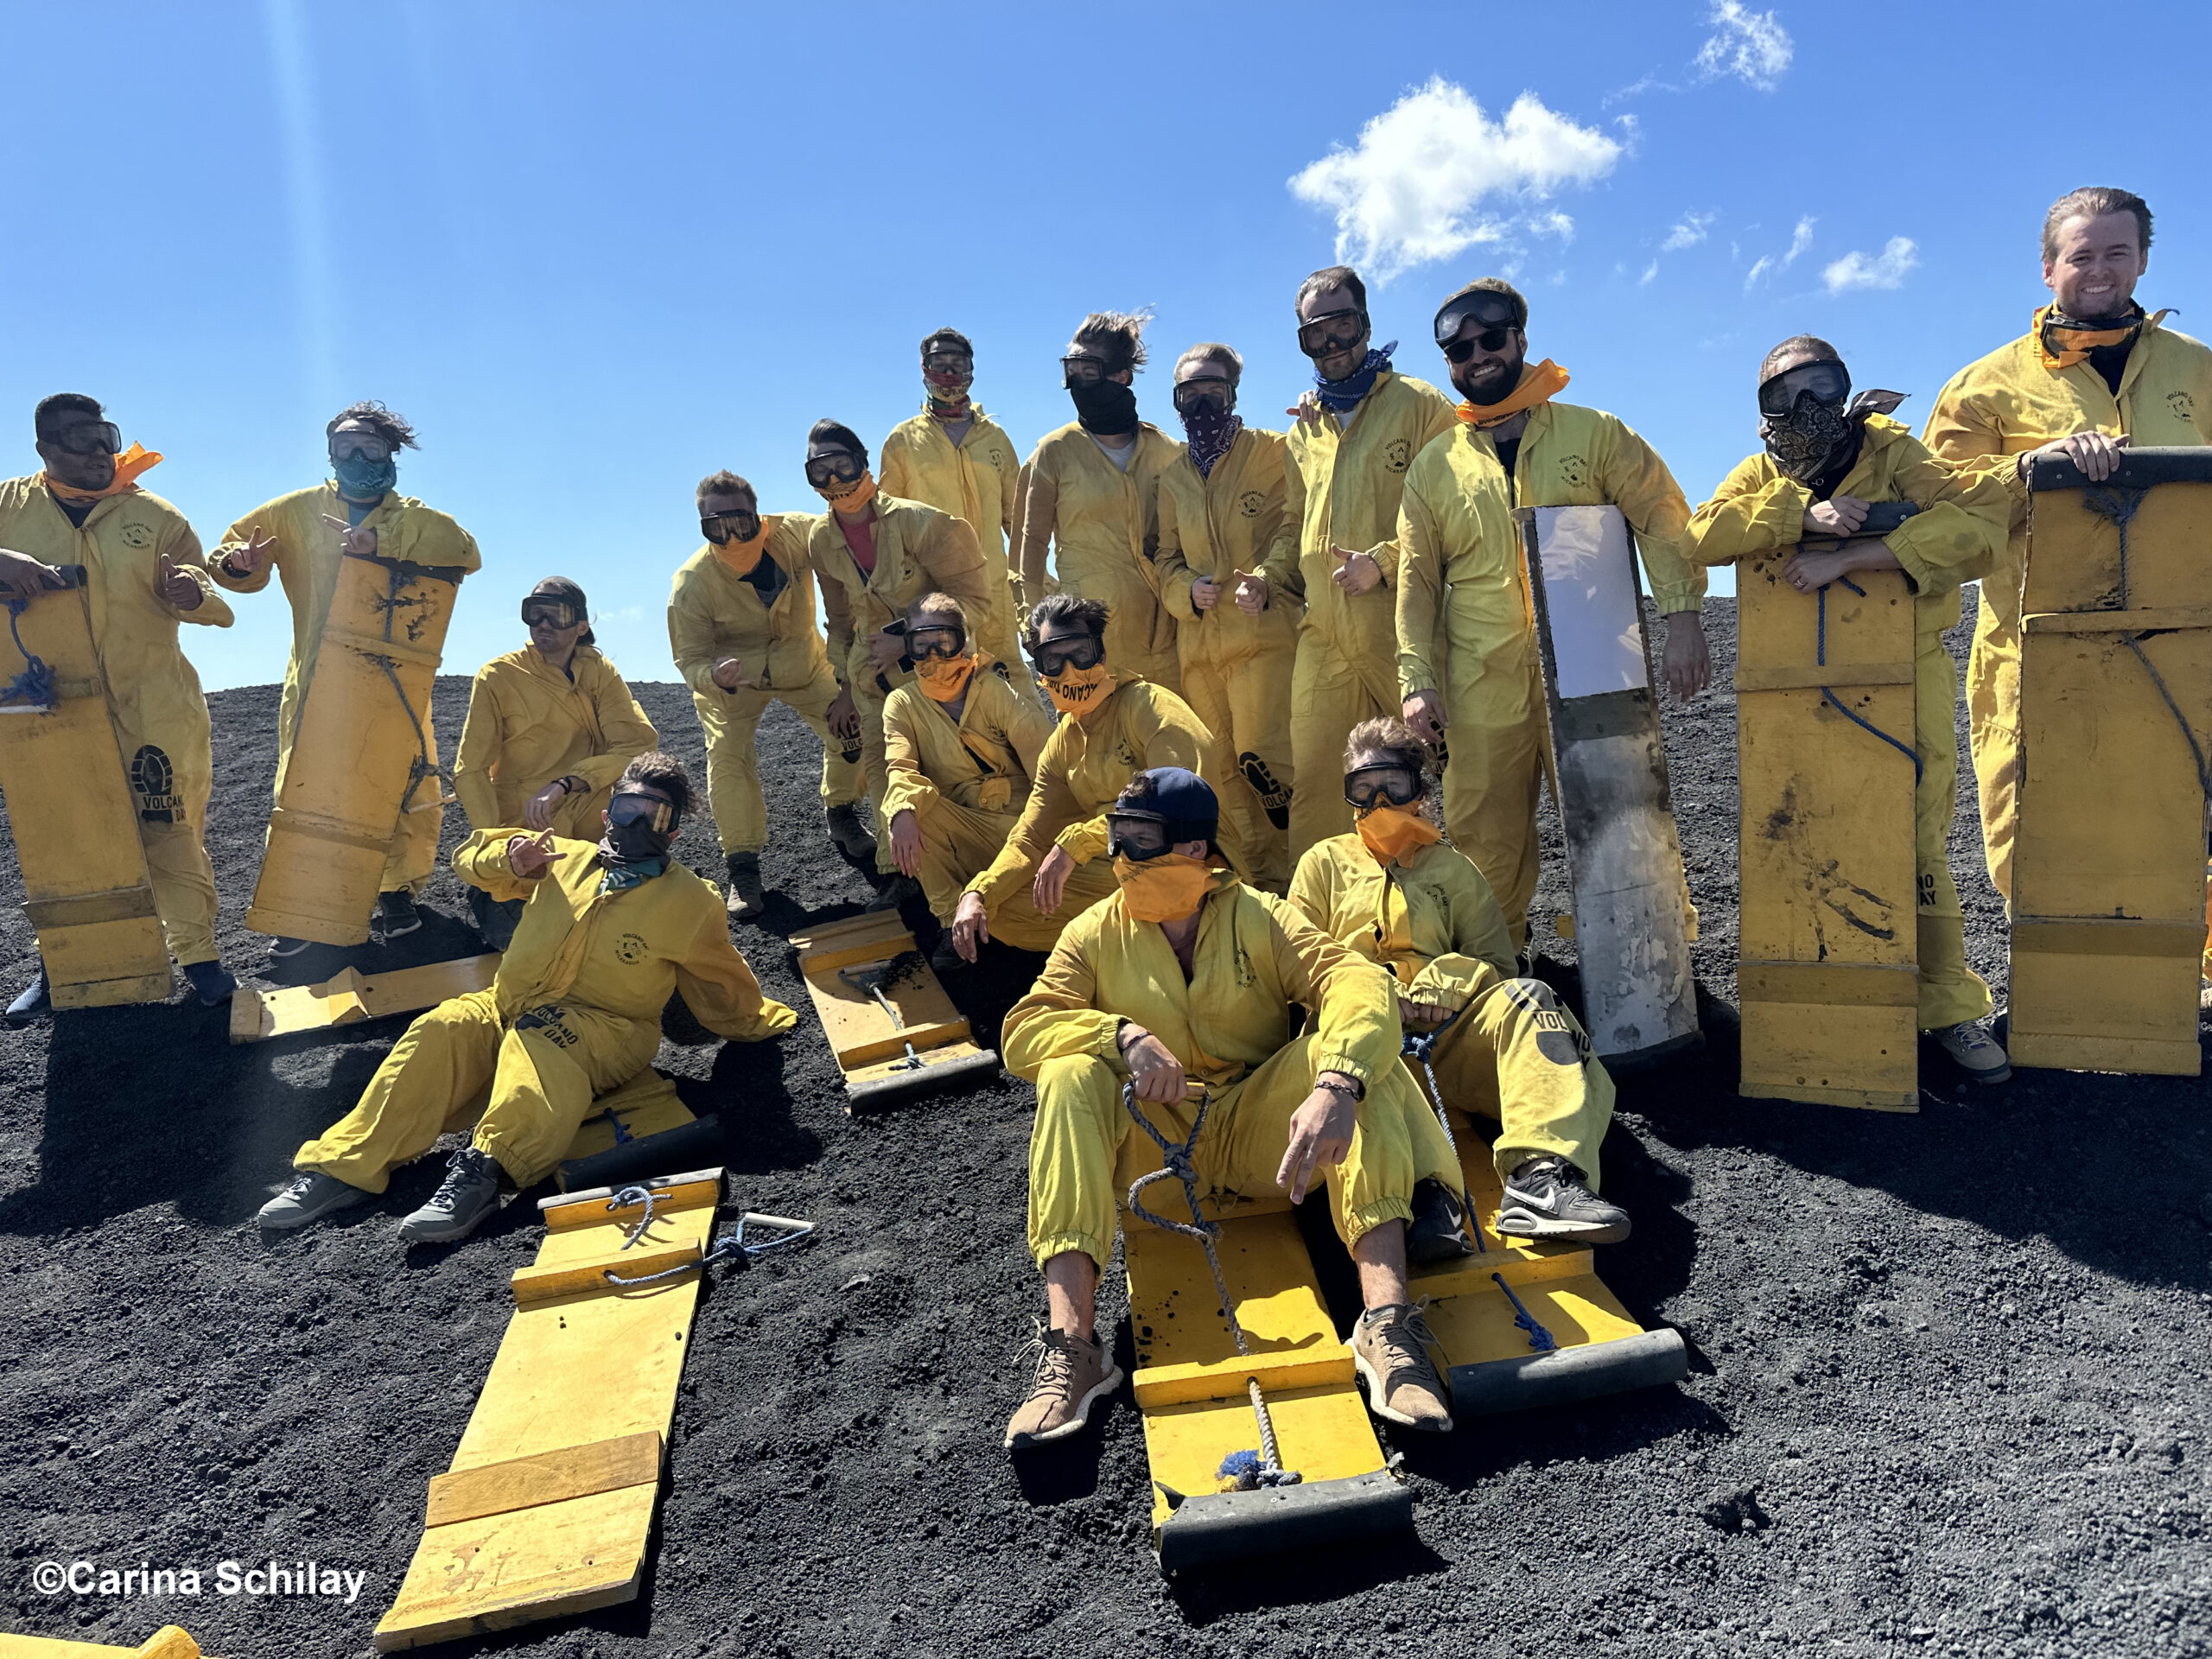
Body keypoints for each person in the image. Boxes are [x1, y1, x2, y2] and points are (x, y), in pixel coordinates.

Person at [1000, 767, 1457, 1446]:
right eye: (1116, 836)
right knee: (1067, 1074)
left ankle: (1386, 1327)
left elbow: (1356, 982)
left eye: (1141, 838)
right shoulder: (1092, 932)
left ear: (1194, 851)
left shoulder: (1261, 915)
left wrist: (1335, 1084)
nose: (1122, 855)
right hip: (1156, 1152)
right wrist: (1118, 1036)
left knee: (1356, 1060)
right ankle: (1073, 1349)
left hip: (1260, 1146)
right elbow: (1022, 1030)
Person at [256, 753, 795, 1244]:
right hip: (508, 1005)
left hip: (608, 1031)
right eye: (626, 808)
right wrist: (511, 861)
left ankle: (485, 1172)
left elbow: (723, 978)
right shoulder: (561, 856)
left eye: (652, 816)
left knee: (543, 1037)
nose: (633, 824)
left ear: (672, 832)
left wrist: (759, 1022)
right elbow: (471, 854)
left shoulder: (691, 901)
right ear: (607, 813)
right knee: (443, 1025)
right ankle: (343, 1167)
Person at [1688, 337, 2014, 1080]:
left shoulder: (1896, 451)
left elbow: (1983, 518)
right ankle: (1826, 1006)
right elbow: (1700, 532)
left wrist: (1858, 553)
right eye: (1783, 396)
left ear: (1846, 389)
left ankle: (1948, 1008)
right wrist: (1803, 513)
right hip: (1796, 682)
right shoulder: (1763, 472)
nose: (1804, 410)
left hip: (1907, 668)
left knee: (1918, 837)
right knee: (1804, 829)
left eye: (1821, 387)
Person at [1923, 185, 2212, 993]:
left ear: (2144, 261)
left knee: (2180, 813)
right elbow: (1935, 502)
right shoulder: (1983, 387)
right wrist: (2033, 466)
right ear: (2049, 268)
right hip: (2032, 649)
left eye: (2117, 252)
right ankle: (2061, 991)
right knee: (2029, 824)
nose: (2100, 270)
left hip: (2182, 644)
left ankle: (2181, 989)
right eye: (2081, 254)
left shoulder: (2199, 371)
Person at [1397, 277, 1713, 951]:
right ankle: (1500, 969)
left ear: (1520, 339)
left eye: (1490, 339)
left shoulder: (1594, 434)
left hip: (1598, 663)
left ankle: (1663, 971)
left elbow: (1662, 520)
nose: (1477, 356)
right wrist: (1416, 678)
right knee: (1485, 835)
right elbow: (1417, 579)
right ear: (1448, 364)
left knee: (1627, 818)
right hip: (1481, 683)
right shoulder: (1434, 467)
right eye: (1459, 350)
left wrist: (1683, 615)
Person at [1289, 720, 1630, 1240]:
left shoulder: (1454, 871)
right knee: (1352, 1063)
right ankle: (1422, 1201)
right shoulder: (1322, 864)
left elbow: (1498, 962)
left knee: (1532, 1000)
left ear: (1419, 791)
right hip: (1354, 1049)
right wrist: (1375, 996)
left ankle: (1542, 1177)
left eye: (1392, 785)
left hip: (1440, 1045)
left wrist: (1446, 984)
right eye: (1362, 786)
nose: (1378, 799)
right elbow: (1296, 965)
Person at [212, 402, 481, 953]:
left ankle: (396, 895)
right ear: (330, 454)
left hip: (397, 682)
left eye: (371, 448)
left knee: (402, 784)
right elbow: (230, 555)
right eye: (346, 448)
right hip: (317, 680)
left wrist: (379, 545)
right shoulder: (293, 512)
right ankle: (303, 909)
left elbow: (465, 551)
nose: (358, 458)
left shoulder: (413, 518)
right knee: (309, 788)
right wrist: (237, 564)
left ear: (392, 453)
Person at [0, 394, 237, 1018]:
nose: (101, 452)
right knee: (66, 837)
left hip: (154, 704)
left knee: (170, 831)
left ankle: (201, 958)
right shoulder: (6, 507)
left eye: (107, 437)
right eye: (82, 440)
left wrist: (194, 591)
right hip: (50, 713)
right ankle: (65, 965)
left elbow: (211, 592)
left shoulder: (154, 515)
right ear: (45, 449)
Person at [947, 594, 1245, 964]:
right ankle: (1130, 951)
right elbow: (1031, 837)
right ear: (1039, 670)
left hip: (1196, 867)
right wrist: (979, 893)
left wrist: (1078, 841)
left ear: (1101, 655)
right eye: (1053, 660)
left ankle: (1186, 944)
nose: (1069, 670)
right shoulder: (1063, 743)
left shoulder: (1152, 708)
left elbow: (1180, 811)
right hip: (1122, 866)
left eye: (1080, 654)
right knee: (1000, 912)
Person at [1282, 265, 1459, 860]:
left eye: (1344, 326)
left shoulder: (1422, 406)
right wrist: (1260, 578)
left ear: (1367, 324)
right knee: (1318, 783)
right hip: (1323, 635)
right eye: (1315, 334)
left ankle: (1450, 908)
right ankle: (1321, 927)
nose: (1332, 345)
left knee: (1435, 773)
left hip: (1400, 627)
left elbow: (1453, 515)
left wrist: (1382, 562)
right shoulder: (1304, 429)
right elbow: (1293, 526)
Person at [804, 420, 998, 911]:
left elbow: (974, 601)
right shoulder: (820, 543)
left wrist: (905, 641)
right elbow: (841, 621)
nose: (834, 482)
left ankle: (979, 868)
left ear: (863, 461)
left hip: (938, 674)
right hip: (871, 681)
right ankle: (901, 876)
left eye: (841, 465)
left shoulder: (925, 523)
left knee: (950, 771)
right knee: (885, 770)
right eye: (818, 472)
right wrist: (845, 687)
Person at [668, 471, 871, 920]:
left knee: (853, 732)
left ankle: (842, 812)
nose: (731, 535)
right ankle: (743, 866)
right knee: (727, 758)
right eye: (715, 526)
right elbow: (689, 659)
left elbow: (848, 560)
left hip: (804, 663)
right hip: (732, 683)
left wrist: (849, 676)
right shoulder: (691, 585)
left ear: (759, 516)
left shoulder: (801, 533)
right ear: (702, 526)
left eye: (740, 520)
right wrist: (713, 677)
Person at [878, 591, 1104, 970]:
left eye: (943, 642)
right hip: (963, 829)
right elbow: (899, 767)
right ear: (908, 648)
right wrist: (900, 811)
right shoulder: (901, 703)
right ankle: (953, 923)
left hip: (1018, 826)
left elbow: (1050, 771)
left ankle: (1003, 908)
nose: (933, 657)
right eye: (921, 645)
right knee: (914, 808)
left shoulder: (995, 690)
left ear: (962, 640)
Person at [1154, 343, 1302, 893]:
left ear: (1233, 390)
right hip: (1199, 652)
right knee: (1220, 775)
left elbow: (1295, 526)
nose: (1200, 400)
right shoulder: (1172, 478)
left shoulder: (1272, 452)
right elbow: (1164, 555)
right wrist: (1184, 592)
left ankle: (1304, 884)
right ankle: (1256, 888)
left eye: (1211, 387)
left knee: (1272, 767)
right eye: (1187, 391)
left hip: (1264, 640)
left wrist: (1268, 577)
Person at [454, 577, 659, 950]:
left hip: (590, 819)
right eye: (535, 614)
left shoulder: (598, 670)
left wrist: (567, 783)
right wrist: (498, 844)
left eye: (556, 615)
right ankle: (495, 897)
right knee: (533, 948)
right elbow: (470, 770)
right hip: (527, 831)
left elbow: (636, 744)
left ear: (581, 626)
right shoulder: (498, 677)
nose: (543, 624)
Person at [1014, 312, 1183, 694]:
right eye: (1070, 370)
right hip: (1087, 643)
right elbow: (1033, 542)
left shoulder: (1167, 452)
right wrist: (1034, 621)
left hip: (1166, 635)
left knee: (1175, 744)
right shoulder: (1054, 451)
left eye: (1087, 371)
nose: (1077, 382)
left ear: (1121, 376)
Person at [879, 328, 1039, 696]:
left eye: (958, 363)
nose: (949, 373)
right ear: (924, 368)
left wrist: (1034, 585)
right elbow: (887, 525)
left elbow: (1018, 520)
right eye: (939, 363)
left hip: (994, 587)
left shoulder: (994, 438)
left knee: (1013, 691)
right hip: (932, 591)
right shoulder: (903, 440)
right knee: (946, 689)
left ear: (972, 369)